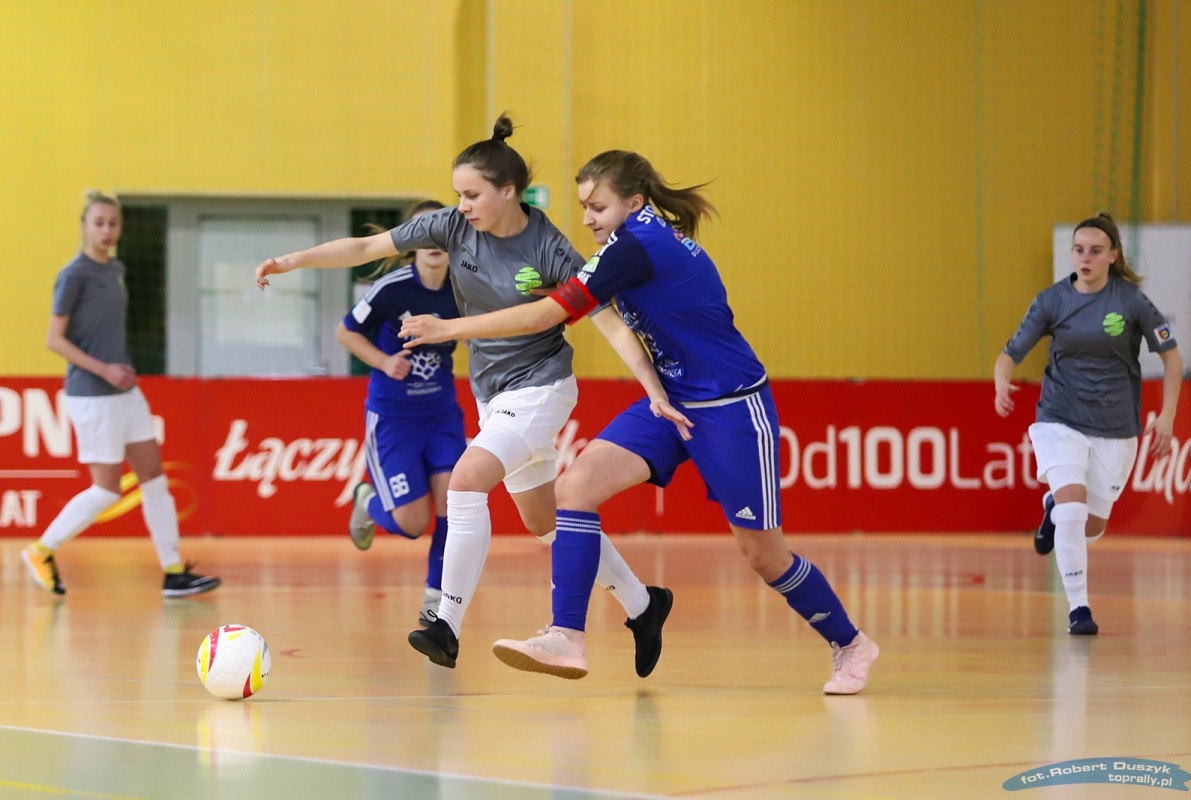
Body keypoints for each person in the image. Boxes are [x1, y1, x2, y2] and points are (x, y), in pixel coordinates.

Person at [400, 150, 879, 694]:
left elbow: (548, 315)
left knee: (764, 556)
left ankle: (851, 643)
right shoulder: (625, 244)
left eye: (598, 207)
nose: (587, 219)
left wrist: (448, 328)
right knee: (575, 489)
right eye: (583, 206)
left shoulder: (636, 246)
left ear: (634, 203)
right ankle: (566, 635)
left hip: (729, 408)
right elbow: (583, 301)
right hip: (670, 399)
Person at [256, 117, 681, 675]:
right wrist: (293, 261)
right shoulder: (453, 226)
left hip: (541, 388)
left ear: (509, 192)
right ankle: (645, 606)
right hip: (493, 394)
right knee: (547, 523)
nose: (463, 205)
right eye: (458, 194)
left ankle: (445, 624)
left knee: (465, 480)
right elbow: (366, 245)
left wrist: (654, 390)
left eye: (473, 195)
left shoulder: (551, 249)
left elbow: (613, 325)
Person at [21, 192, 221, 598]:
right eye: (99, 223)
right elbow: (54, 340)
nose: (107, 230)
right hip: (93, 395)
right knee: (106, 490)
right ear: (84, 226)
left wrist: (120, 371)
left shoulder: (115, 269)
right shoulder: (73, 275)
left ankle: (173, 572)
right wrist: (105, 370)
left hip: (125, 393)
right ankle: (41, 550)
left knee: (155, 479)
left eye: (113, 223)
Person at [994, 212, 1181, 635]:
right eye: (1079, 250)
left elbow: (1172, 358)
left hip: (1116, 427)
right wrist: (1002, 382)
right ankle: (1079, 609)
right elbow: (1009, 354)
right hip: (1060, 418)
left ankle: (1053, 508)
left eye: (1095, 251)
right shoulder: (1052, 301)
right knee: (1074, 510)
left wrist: (1167, 415)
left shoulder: (1131, 302)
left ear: (1113, 256)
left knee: (1090, 525)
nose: (1085, 258)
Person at [339, 200, 463, 628]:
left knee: (454, 506)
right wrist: (383, 361)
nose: (432, 241)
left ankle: (435, 600)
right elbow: (346, 332)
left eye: (439, 231)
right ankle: (367, 500)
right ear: (410, 242)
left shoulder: (464, 285)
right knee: (412, 523)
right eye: (421, 232)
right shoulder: (391, 288)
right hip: (394, 417)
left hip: (442, 412)